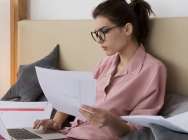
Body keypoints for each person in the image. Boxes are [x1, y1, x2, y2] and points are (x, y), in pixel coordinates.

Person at [33, 0, 167, 139]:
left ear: (127, 29)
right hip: (69, 134)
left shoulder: (153, 70)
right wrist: (55, 123)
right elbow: (77, 99)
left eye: (103, 32)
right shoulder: (105, 63)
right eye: (96, 34)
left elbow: (136, 131)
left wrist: (109, 121)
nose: (99, 40)